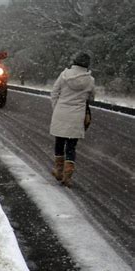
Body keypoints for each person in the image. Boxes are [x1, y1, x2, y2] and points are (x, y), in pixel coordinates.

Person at [50, 52, 95, 187]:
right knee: (71, 147)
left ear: (74, 61)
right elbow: (91, 98)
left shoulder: (64, 75)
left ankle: (58, 171)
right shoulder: (90, 80)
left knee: (59, 142)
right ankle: (67, 175)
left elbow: (54, 92)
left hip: (61, 112)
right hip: (77, 115)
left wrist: (56, 107)